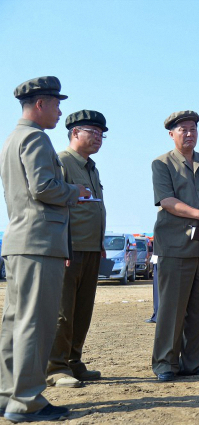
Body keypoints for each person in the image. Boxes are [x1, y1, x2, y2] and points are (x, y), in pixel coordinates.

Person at [0, 76, 90, 422]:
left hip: (21, 241)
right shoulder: (36, 139)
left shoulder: (13, 138)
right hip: (40, 243)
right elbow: (44, 188)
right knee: (35, 324)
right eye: (55, 104)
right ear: (40, 104)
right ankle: (26, 402)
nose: (58, 110)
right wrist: (74, 192)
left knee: (14, 322)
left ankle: (9, 394)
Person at [151, 110, 199, 382]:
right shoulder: (162, 164)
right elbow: (167, 201)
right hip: (175, 247)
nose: (189, 133)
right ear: (172, 134)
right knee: (172, 309)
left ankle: (194, 362)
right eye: (184, 129)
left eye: (193, 129)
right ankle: (165, 364)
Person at [47, 110, 109, 389]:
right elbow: (55, 206)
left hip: (91, 249)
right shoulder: (61, 161)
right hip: (69, 250)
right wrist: (63, 247)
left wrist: (100, 243)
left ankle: (73, 362)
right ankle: (55, 367)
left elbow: (91, 207)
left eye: (101, 134)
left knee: (82, 311)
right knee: (63, 311)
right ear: (74, 133)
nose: (98, 138)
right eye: (92, 132)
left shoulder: (91, 166)